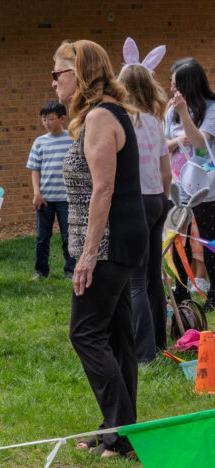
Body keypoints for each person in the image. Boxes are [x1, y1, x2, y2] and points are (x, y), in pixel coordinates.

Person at [54, 40, 146, 458]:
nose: (54, 81)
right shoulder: (111, 113)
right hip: (123, 237)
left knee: (85, 333)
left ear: (80, 75)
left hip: (109, 242)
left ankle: (121, 434)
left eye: (58, 73)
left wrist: (88, 254)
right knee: (117, 335)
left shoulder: (98, 116)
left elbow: (104, 188)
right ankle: (118, 429)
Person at [118, 57, 172, 364]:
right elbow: (166, 172)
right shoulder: (154, 121)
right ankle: (160, 342)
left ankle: (144, 354)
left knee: (135, 281)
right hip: (157, 200)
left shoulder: (124, 120)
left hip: (136, 201)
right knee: (153, 275)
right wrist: (163, 200)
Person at [165, 58, 215, 310]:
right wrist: (177, 141)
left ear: (189, 84)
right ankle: (182, 290)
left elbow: (198, 142)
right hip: (178, 188)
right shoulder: (170, 110)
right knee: (178, 239)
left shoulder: (211, 108)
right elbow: (162, 145)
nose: (172, 89)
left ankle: (213, 292)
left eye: (175, 84)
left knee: (208, 240)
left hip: (206, 187)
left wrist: (185, 114)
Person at [27, 100, 75, 280]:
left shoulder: (72, 139)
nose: (46, 122)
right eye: (43, 119)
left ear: (62, 118)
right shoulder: (39, 142)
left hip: (66, 198)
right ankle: (41, 271)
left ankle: (70, 270)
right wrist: (37, 194)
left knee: (68, 237)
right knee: (42, 238)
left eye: (50, 118)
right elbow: (35, 169)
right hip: (45, 198)